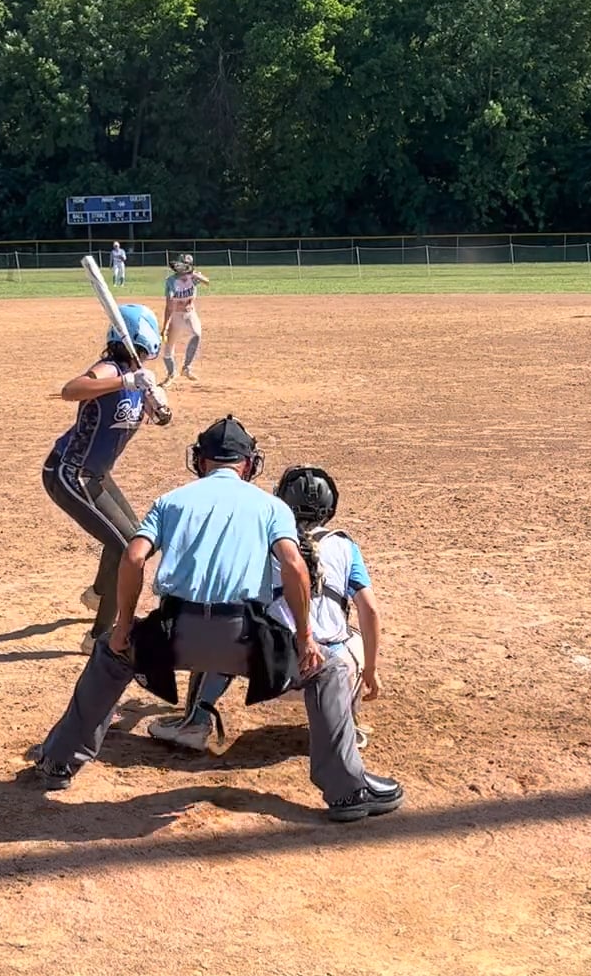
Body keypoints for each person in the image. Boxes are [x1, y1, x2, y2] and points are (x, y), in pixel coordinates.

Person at [28, 416, 403, 823]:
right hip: (244, 639)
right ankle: (347, 791)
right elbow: (295, 566)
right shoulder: (271, 507)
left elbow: (134, 557)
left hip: (174, 635)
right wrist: (305, 638)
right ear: (249, 464)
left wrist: (122, 628)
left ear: (200, 460)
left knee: (110, 655)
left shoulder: (171, 500)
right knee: (328, 671)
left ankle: (58, 762)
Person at [149, 465, 382, 754]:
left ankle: (194, 724)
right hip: (331, 671)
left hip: (274, 670)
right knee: (353, 637)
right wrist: (371, 670)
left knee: (224, 625)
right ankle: (343, 727)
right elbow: (370, 609)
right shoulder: (345, 545)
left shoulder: (264, 538)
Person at [43, 302, 170, 653]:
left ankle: (98, 593)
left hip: (95, 474)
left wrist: (159, 406)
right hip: (70, 473)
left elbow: (158, 417)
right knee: (129, 548)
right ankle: (98, 637)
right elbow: (71, 390)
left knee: (134, 537)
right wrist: (125, 381)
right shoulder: (111, 369)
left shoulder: (138, 376)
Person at [160, 254, 211, 382]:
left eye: (187, 265)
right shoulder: (171, 281)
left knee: (197, 334)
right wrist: (165, 326)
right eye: (182, 264)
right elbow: (169, 306)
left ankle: (186, 368)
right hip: (176, 316)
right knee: (168, 349)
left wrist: (194, 274)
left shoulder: (193, 277)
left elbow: (207, 282)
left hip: (189, 314)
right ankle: (171, 374)